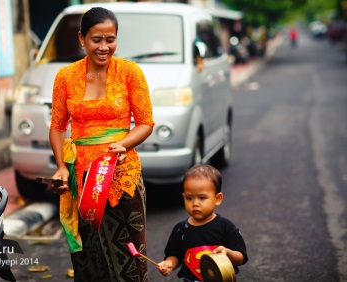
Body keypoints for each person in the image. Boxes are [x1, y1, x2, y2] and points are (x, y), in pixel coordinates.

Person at [49, 6, 154, 282]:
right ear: (82, 38)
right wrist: (61, 166)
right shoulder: (65, 77)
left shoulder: (130, 72)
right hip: (82, 179)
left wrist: (123, 144)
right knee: (90, 260)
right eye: (97, 39)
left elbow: (145, 123)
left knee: (130, 257)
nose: (104, 47)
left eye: (111, 39)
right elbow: (58, 127)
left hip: (122, 175)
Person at [157, 164, 248, 281]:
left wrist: (227, 253)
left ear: (217, 199)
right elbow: (174, 255)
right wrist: (169, 263)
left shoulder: (225, 226)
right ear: (183, 197)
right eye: (189, 198)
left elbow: (241, 257)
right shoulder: (180, 230)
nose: (195, 203)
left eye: (202, 197)